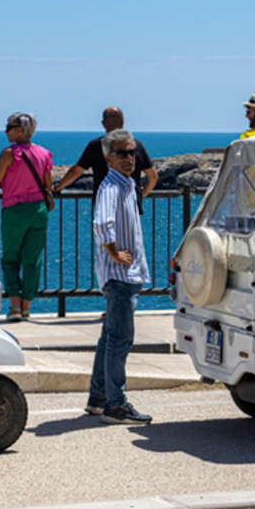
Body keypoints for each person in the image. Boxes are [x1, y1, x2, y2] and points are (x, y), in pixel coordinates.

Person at [86, 129, 153, 424]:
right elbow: (102, 223)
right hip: (120, 275)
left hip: (125, 273)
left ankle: (99, 398)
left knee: (109, 337)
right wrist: (114, 253)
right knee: (120, 338)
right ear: (108, 157)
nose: (130, 158)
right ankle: (116, 404)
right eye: (122, 153)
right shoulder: (111, 186)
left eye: (132, 152)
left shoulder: (126, 184)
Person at [0, 112, 53, 320]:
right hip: (39, 211)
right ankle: (26, 307)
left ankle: (14, 306)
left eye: (9, 127)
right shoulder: (44, 153)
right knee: (33, 260)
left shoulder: (9, 154)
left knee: (10, 258)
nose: (5, 130)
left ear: (21, 130)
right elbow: (48, 185)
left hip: (15, 210)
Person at [52, 106, 158, 207]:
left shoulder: (96, 145)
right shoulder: (136, 145)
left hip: (104, 202)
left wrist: (57, 188)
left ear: (103, 124)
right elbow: (153, 176)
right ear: (123, 122)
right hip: (131, 202)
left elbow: (77, 170)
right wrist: (140, 195)